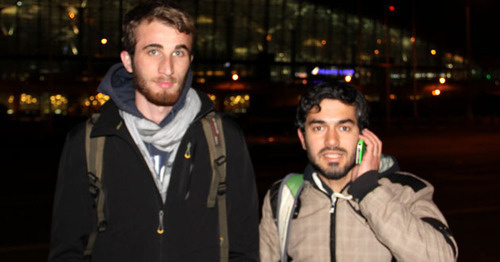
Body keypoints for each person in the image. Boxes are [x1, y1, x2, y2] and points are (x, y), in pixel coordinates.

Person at [49, 1, 259, 261]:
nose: (167, 68)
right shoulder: (89, 141)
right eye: (153, 52)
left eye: (179, 53)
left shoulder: (224, 139)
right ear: (128, 60)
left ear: (190, 60)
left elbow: (244, 248)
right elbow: (68, 250)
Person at [259, 82, 458, 261]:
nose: (331, 141)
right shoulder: (283, 196)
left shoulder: (405, 190)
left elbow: (442, 257)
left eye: (344, 128)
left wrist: (369, 191)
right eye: (319, 128)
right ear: (303, 139)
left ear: (363, 137)